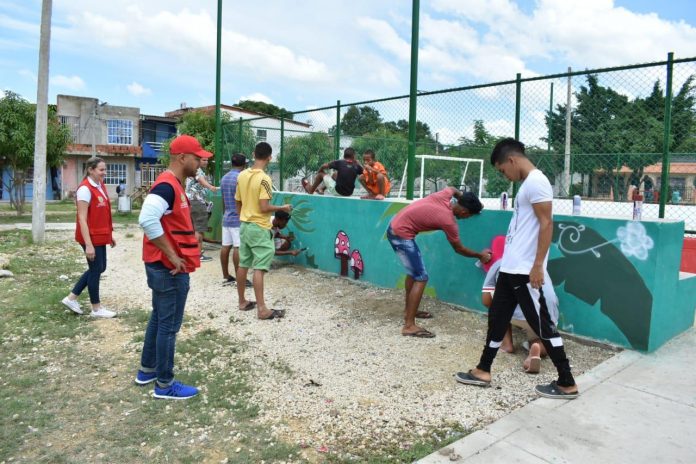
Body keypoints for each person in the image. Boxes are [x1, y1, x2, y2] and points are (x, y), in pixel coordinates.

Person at [455, 138, 579, 399]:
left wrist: (537, 266)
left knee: (543, 326)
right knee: (497, 319)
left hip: (525, 271)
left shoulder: (537, 182)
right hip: (511, 270)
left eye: (502, 170)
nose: (505, 175)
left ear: (511, 160)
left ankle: (567, 381)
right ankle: (483, 369)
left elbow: (547, 224)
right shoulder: (527, 186)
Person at [134, 134, 212, 400]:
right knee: (168, 325)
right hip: (168, 268)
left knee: (159, 317)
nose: (201, 162)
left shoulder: (175, 185)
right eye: (197, 157)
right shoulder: (167, 186)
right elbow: (146, 219)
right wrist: (173, 255)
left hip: (164, 266)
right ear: (182, 158)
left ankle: (147, 370)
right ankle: (165, 385)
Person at [387, 188, 491, 338]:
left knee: (414, 273)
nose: (466, 219)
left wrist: (464, 198)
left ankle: (409, 310)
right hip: (401, 235)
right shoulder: (448, 221)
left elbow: (453, 189)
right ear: (464, 213)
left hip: (395, 226)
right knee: (421, 277)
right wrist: (480, 255)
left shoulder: (444, 196)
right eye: (468, 216)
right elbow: (459, 249)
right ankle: (409, 325)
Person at [235, 142, 292, 320]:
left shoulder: (242, 175)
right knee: (259, 267)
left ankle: (242, 301)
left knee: (243, 264)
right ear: (270, 157)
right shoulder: (265, 179)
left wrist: (244, 216)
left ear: (253, 154)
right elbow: (264, 207)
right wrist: (283, 207)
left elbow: (238, 201)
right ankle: (262, 309)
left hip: (244, 225)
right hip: (259, 227)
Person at [61, 157, 117, 318]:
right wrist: (88, 245)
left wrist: (109, 235)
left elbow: (102, 214)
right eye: (101, 170)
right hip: (89, 237)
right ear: (90, 170)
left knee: (100, 268)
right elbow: (82, 219)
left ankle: (72, 298)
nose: (104, 173)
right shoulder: (85, 189)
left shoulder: (100, 186)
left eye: (105, 169)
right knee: (95, 270)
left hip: (100, 235)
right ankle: (96, 308)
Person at [482, 259, 559, 373]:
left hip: (521, 314)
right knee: (541, 340)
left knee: (500, 304)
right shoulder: (540, 266)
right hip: (548, 316)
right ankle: (537, 349)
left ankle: (506, 344)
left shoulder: (500, 264)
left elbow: (486, 300)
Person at [219, 153, 251, 287]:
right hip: (238, 218)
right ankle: (240, 277)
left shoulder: (224, 178)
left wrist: (224, 213)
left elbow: (223, 199)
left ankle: (226, 275)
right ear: (244, 164)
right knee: (238, 247)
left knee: (225, 246)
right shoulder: (241, 178)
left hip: (226, 217)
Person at [186, 155, 218, 262]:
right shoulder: (197, 170)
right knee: (199, 229)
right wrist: (210, 187)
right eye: (204, 160)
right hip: (197, 201)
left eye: (207, 160)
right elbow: (200, 180)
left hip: (194, 201)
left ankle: (196, 251)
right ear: (197, 160)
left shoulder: (194, 169)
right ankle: (197, 254)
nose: (206, 162)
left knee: (196, 228)